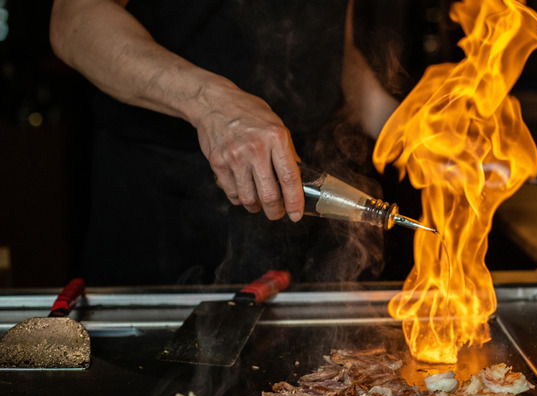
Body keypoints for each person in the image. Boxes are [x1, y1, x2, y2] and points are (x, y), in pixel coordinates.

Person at [49, 0, 400, 285]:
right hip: (166, 207)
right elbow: (74, 21)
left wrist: (408, 134)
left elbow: (333, 50)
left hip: (302, 198)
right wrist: (209, 101)